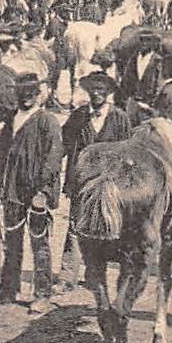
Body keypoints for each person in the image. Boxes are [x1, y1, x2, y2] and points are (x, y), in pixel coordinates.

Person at [0, 72, 64, 312]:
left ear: (38, 94)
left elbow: (54, 159)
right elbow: (1, 155)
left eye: (30, 92)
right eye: (22, 92)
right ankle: (8, 289)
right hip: (12, 189)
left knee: (39, 242)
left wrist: (42, 191)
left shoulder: (47, 121)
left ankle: (42, 294)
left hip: (36, 192)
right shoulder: (10, 119)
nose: (26, 97)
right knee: (11, 241)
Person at [57, 71, 132, 291]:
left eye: (101, 90)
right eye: (93, 89)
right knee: (75, 227)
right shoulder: (78, 116)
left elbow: (127, 153)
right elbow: (64, 145)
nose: (97, 94)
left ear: (108, 92)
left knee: (104, 228)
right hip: (81, 182)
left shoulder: (120, 118)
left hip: (109, 185)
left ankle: (95, 274)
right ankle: (67, 276)